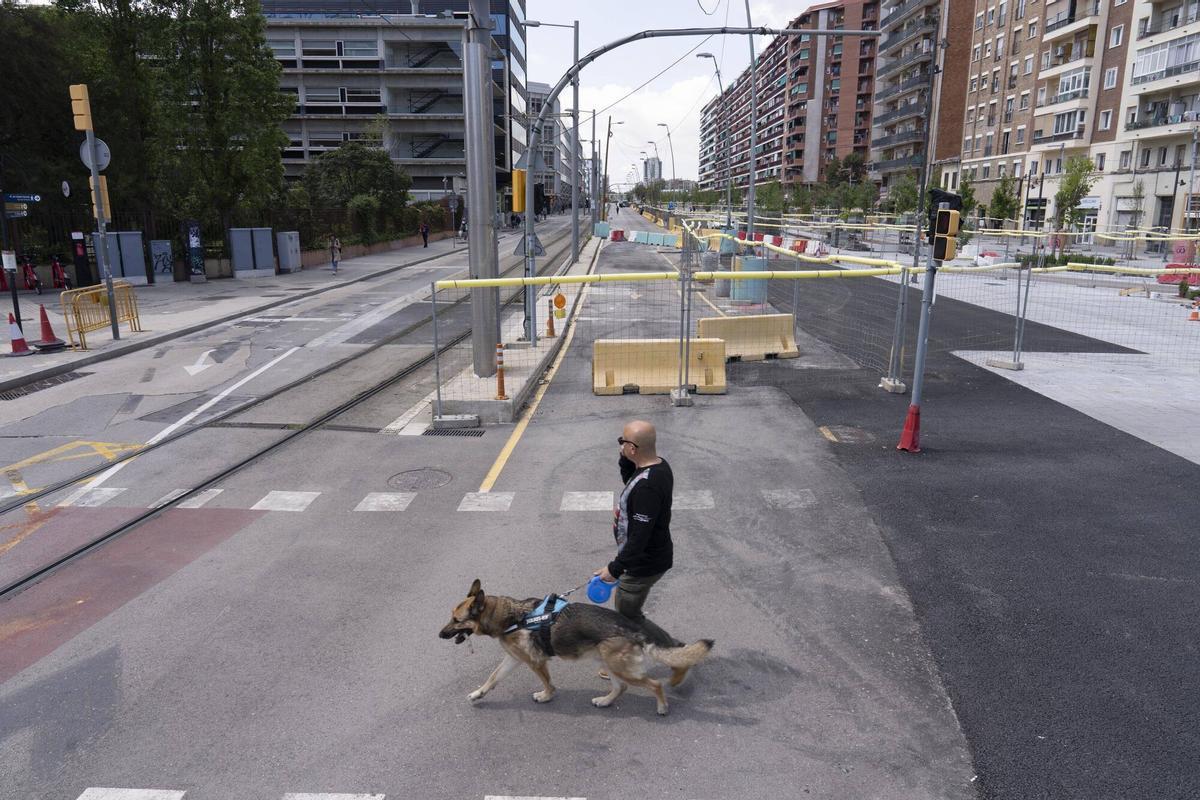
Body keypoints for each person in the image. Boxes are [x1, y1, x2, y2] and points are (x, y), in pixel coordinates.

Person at [595, 419, 681, 661]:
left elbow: (639, 538)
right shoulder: (658, 467)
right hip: (647, 557)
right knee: (627, 613)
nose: (620, 445)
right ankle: (630, 654)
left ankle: (674, 651)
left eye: (622, 442)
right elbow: (630, 480)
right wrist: (624, 458)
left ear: (634, 448)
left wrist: (615, 569)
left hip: (643, 564)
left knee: (627, 614)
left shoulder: (647, 488)